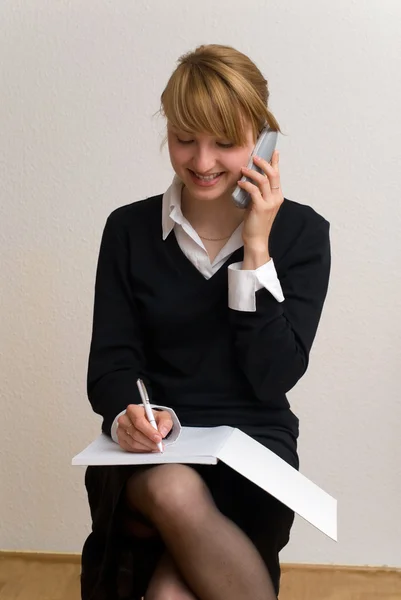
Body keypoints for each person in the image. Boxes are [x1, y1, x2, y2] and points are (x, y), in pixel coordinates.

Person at [81, 43, 331, 600]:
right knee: (174, 490)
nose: (201, 161)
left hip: (254, 444)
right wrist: (131, 416)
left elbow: (273, 378)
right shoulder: (127, 229)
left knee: (172, 595)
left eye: (226, 142)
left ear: (264, 139)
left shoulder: (304, 236)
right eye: (184, 138)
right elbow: (110, 367)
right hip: (157, 449)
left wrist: (256, 247)